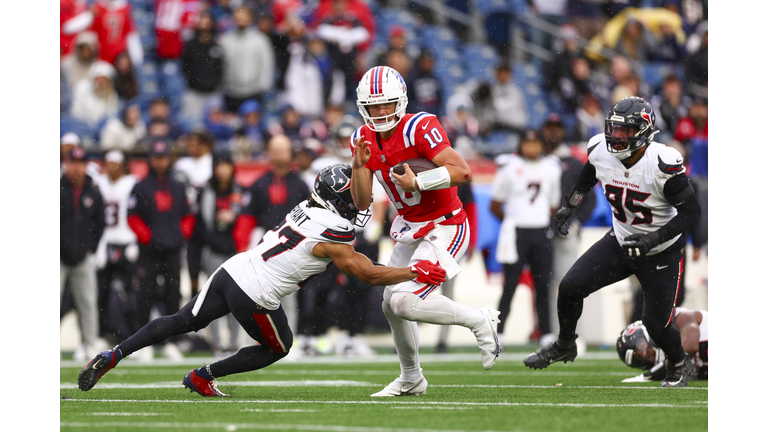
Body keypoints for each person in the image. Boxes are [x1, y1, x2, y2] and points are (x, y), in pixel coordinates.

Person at [78, 163, 448, 397]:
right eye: (352, 195)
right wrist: (414, 270)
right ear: (338, 201)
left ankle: (114, 355)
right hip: (256, 292)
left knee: (181, 321)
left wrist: (358, 164)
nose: (359, 201)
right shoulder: (334, 233)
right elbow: (368, 273)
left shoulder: (306, 207)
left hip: (234, 269)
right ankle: (204, 375)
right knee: (279, 346)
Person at [523, 96, 702, 388]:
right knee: (570, 287)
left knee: (655, 325)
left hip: (661, 250)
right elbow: (589, 174)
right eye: (614, 129)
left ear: (644, 131)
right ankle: (566, 343)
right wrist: (571, 205)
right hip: (621, 240)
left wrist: (652, 239)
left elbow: (691, 211)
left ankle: (679, 363)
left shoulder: (661, 163)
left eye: (625, 131)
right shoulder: (600, 150)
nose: (616, 137)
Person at [349, 65, 500, 396]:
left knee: (403, 302)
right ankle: (411, 376)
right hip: (409, 228)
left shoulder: (419, 127)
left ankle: (478, 319)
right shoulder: (362, 138)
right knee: (390, 304)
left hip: (445, 223)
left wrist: (419, 181)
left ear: (400, 102)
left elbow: (462, 171)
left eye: (387, 104)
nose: (381, 112)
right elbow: (361, 201)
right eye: (374, 106)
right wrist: (359, 167)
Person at [490, 130, 561, 345]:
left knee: (543, 284)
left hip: (540, 232)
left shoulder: (551, 168)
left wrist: (537, 220)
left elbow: (553, 205)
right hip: (517, 232)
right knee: (509, 285)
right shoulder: (509, 169)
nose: (531, 148)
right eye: (527, 143)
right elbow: (494, 205)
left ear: (542, 145)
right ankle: (499, 332)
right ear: (520, 145)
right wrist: (513, 220)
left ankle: (546, 332)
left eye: (535, 143)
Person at [127, 140, 196, 360]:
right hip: (149, 251)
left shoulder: (178, 185)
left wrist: (180, 235)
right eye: (156, 158)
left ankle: (171, 342)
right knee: (144, 296)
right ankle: (142, 344)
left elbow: (188, 213)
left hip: (173, 249)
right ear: (150, 160)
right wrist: (148, 238)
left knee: (173, 296)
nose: (160, 162)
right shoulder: (140, 186)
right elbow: (132, 216)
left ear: (169, 159)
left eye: (163, 157)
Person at [540, 114, 596, 338]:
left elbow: (590, 199)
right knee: (544, 285)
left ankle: (572, 335)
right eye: (549, 127)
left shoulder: (572, 163)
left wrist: (575, 222)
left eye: (557, 128)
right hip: (540, 233)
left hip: (564, 232)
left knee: (568, 283)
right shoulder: (536, 160)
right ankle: (550, 334)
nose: (553, 133)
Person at [187, 150, 246, 355]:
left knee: (236, 299)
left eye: (226, 165)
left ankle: (234, 342)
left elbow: (247, 219)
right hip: (211, 250)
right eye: (219, 165)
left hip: (235, 251)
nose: (222, 170)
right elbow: (199, 228)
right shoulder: (206, 192)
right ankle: (216, 343)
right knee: (211, 300)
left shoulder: (239, 190)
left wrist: (234, 218)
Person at [61, 146, 106, 360]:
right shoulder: (58, 188)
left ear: (86, 165)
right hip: (58, 257)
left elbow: (100, 223)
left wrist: (92, 247)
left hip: (83, 256)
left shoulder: (93, 191)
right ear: (66, 164)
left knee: (88, 302)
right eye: (73, 163)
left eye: (81, 163)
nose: (77, 168)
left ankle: (89, 345)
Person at [92, 150, 140, 344]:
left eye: (115, 163)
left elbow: (138, 213)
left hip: (127, 240)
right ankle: (102, 334)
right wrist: (100, 245)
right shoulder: (100, 183)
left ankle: (133, 336)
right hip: (105, 241)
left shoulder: (132, 183)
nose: (111, 167)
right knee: (100, 293)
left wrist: (135, 241)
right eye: (108, 163)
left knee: (131, 293)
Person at [616, 307, 708, 382]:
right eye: (640, 359)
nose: (647, 356)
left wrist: (652, 375)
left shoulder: (681, 317)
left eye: (643, 348)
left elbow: (691, 347)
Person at [219, 7, 275, 113]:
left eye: (244, 17)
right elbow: (222, 64)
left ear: (250, 19)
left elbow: (267, 64)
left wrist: (263, 86)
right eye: (238, 17)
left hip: (254, 92)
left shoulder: (260, 39)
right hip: (232, 92)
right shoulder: (226, 40)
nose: (241, 19)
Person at [181, 10, 223, 128]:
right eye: (201, 20)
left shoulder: (217, 45)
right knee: (193, 126)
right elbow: (185, 67)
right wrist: (194, 81)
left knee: (214, 127)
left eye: (207, 20)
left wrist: (215, 83)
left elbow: (221, 68)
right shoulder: (190, 45)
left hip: (213, 93)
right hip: (194, 93)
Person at [70, 61, 120, 129]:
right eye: (99, 79)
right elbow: (76, 111)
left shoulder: (111, 95)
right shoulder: (82, 88)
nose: (101, 82)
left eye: (104, 79)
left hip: (101, 129)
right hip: (82, 126)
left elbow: (111, 115)